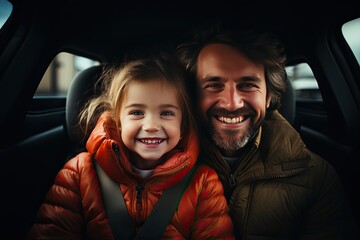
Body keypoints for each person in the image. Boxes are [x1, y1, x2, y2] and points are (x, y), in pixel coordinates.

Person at [176, 22, 359, 239]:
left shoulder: (317, 178)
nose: (232, 104)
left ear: (269, 96)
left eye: (247, 85)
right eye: (214, 85)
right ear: (193, 96)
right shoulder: (154, 167)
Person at [26, 53, 234, 239]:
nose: (151, 126)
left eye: (166, 113)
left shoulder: (203, 182)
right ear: (117, 121)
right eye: (136, 113)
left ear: (183, 123)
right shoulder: (80, 172)